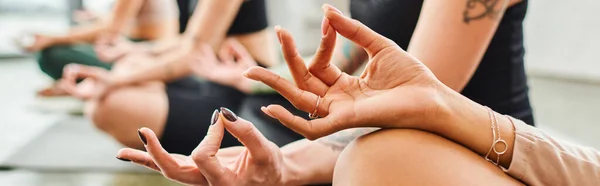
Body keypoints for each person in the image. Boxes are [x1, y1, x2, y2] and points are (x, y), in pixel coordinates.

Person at [117, 5, 600, 185]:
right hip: (377, 139)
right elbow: (353, 71)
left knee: (376, 160)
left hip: (462, 153)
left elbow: (412, 102)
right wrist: (258, 77)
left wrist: (296, 160)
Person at [60, 0, 307, 155]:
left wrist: (113, 80)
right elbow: (189, 41)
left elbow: (191, 54)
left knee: (107, 106)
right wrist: (137, 50)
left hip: (243, 93)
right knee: (129, 65)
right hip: (208, 78)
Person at [19, 0, 179, 97]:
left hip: (144, 56)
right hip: (144, 49)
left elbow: (110, 30)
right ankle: (80, 83)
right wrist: (97, 18)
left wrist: (51, 38)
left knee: (49, 54)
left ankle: (80, 83)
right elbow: (127, 24)